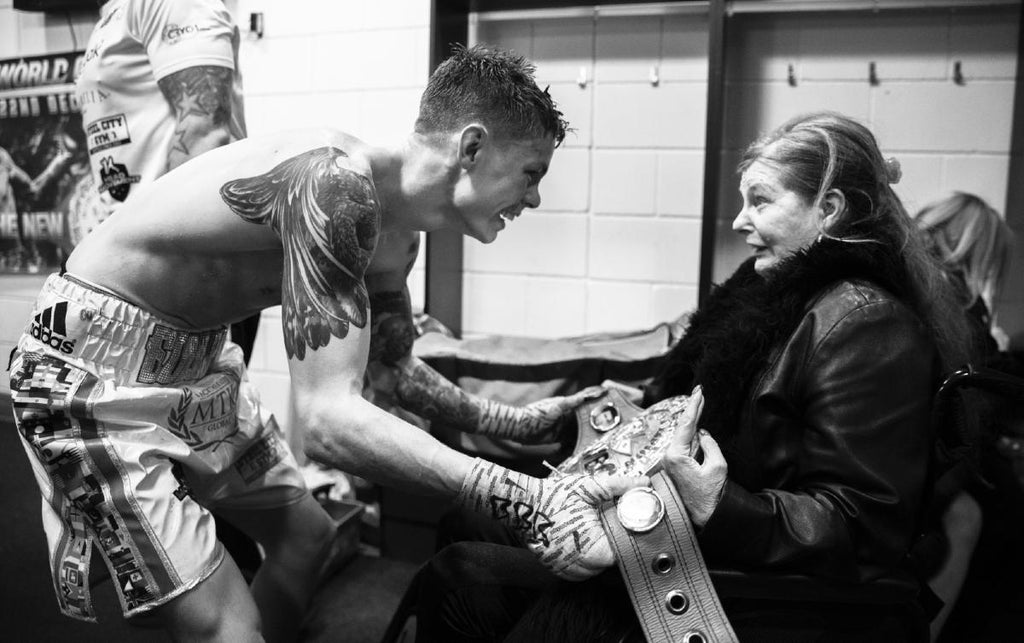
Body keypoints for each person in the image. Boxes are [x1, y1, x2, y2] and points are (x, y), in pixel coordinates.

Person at [8, 44, 641, 642]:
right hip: (93, 366)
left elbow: (392, 373)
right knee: (225, 622)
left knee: (306, 539)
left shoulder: (400, 234)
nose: (533, 196)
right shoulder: (336, 187)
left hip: (197, 360)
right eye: (531, 172)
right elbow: (331, 422)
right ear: (471, 146)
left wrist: (524, 422)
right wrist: (531, 498)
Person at [415, 111, 976, 642]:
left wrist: (720, 506)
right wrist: (647, 412)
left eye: (760, 201)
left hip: (741, 576)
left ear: (827, 209)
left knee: (468, 572)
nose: (739, 221)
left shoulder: (865, 323)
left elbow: (861, 526)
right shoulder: (778, 298)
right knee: (468, 521)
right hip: (687, 531)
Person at [75, 0, 261, 362]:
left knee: (197, 416)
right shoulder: (114, 14)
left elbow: (204, 134)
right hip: (136, 262)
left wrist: (168, 276)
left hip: (182, 271)